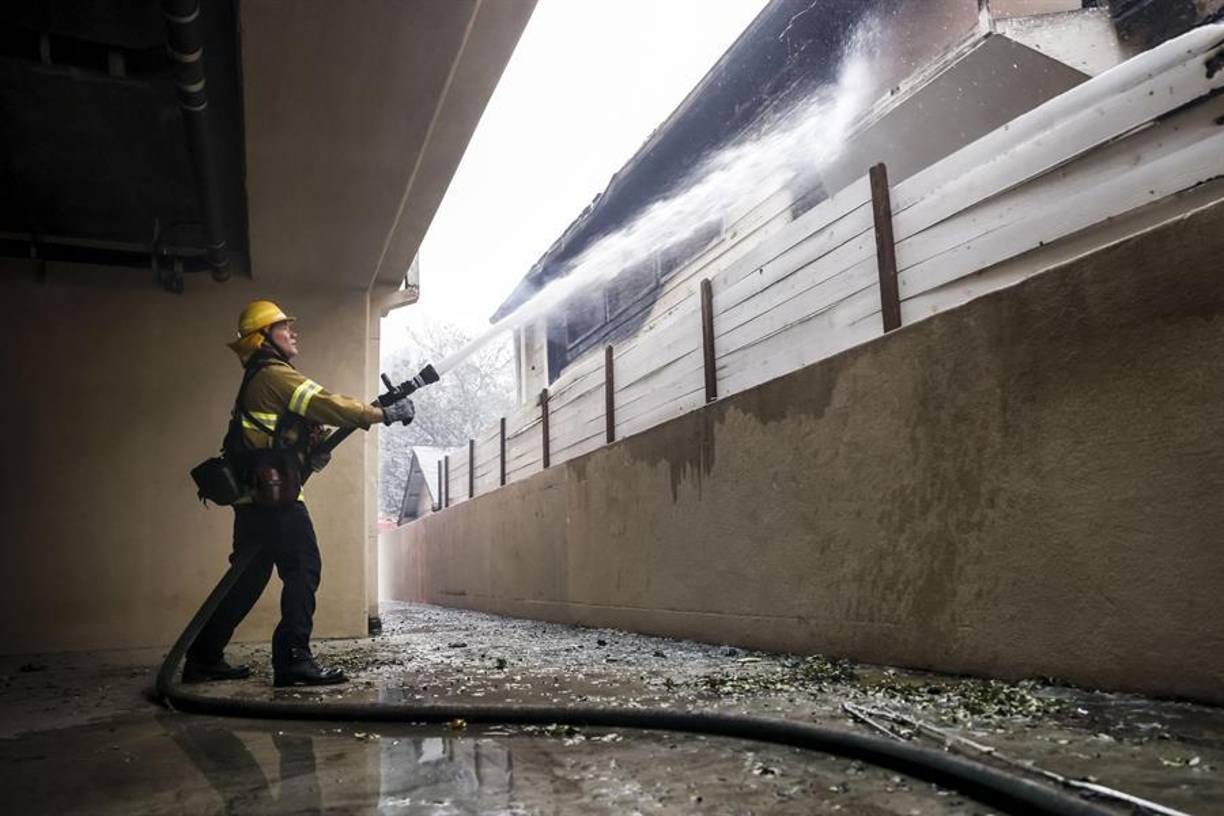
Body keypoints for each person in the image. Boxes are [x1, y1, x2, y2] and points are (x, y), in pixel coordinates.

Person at [184, 300, 415, 687]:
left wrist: (313, 449)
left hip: (255, 500)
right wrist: (380, 414)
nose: (293, 332)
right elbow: (324, 404)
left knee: (247, 577)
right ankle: (293, 660)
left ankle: (204, 657)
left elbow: (284, 435)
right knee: (304, 569)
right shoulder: (274, 374)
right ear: (263, 339)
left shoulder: (261, 378)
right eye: (282, 327)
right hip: (276, 502)